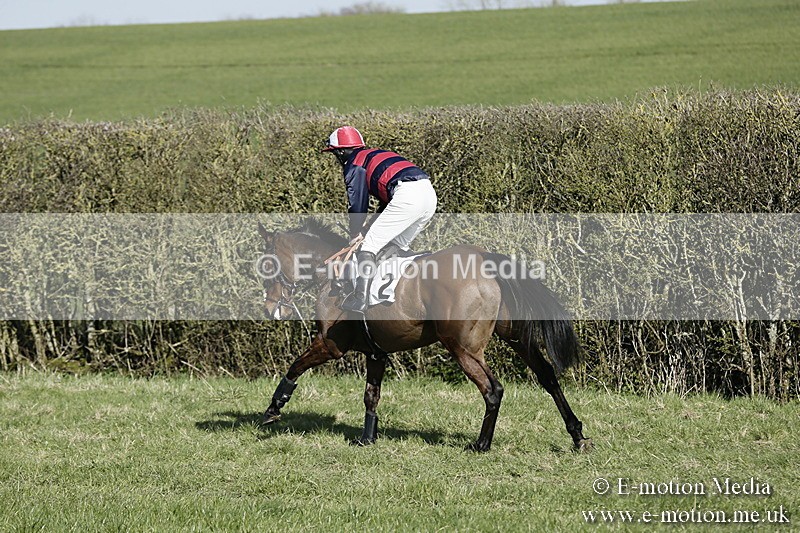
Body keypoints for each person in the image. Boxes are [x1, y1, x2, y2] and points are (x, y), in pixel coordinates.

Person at [323, 126, 438, 314]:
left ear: (341, 151)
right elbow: (388, 205)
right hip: (428, 195)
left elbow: (358, 203)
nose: (336, 158)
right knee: (396, 246)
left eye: (335, 153)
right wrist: (368, 227)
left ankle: (360, 299)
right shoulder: (375, 155)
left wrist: (355, 233)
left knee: (368, 247)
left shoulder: (354, 164)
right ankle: (397, 296)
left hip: (407, 197)